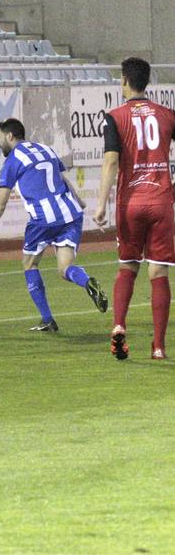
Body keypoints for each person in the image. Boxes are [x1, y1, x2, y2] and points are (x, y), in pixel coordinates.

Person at [0, 118, 107, 330]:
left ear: (10, 136)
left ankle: (48, 320)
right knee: (65, 269)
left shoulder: (13, 161)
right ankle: (87, 281)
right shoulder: (45, 149)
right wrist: (79, 201)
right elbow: (63, 179)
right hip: (70, 215)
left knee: (29, 264)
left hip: (43, 220)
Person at [93, 57, 175, 360]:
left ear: (124, 81)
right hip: (161, 201)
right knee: (158, 271)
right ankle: (158, 347)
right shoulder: (167, 114)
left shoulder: (114, 116)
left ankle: (118, 326)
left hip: (131, 202)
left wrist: (101, 203)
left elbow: (111, 161)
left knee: (128, 265)